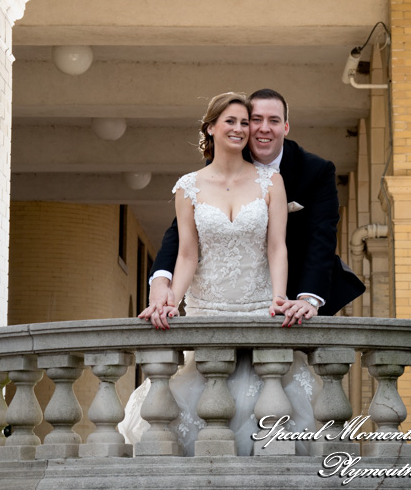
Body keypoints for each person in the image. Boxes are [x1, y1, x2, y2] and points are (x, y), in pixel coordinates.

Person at [119, 91, 316, 454]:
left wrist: (279, 297)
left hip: (258, 308)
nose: (241, 129)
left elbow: (277, 247)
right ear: (210, 127)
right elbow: (188, 254)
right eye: (231, 121)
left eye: (245, 122)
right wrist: (170, 302)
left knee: (270, 414)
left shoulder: (270, 181)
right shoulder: (187, 187)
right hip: (208, 308)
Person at [142, 88, 365, 330]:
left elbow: (321, 238)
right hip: (213, 300)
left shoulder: (316, 171)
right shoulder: (218, 165)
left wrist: (307, 298)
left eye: (274, 121)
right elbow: (184, 235)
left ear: (286, 127)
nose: (263, 128)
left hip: (292, 293)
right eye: (256, 120)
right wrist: (162, 282)